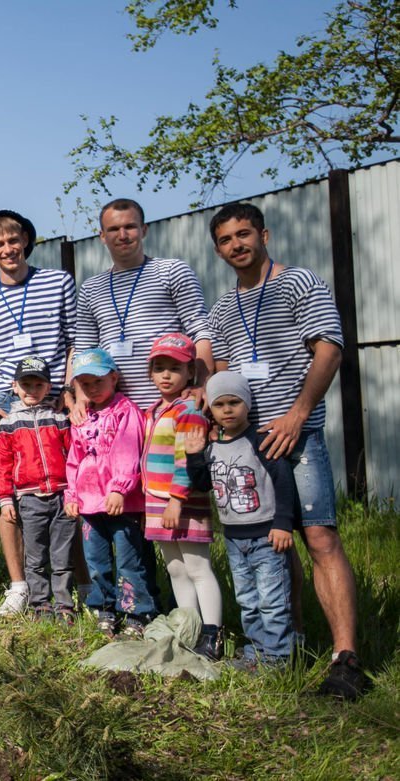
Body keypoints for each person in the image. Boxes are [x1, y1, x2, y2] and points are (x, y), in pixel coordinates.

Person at [206, 201, 366, 698]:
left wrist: (298, 414)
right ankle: (286, 644)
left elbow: (330, 349)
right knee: (275, 543)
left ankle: (346, 658)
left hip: (298, 437)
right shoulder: (223, 308)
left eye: (244, 234)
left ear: (264, 235)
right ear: (218, 250)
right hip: (250, 446)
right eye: (226, 240)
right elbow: (224, 376)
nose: (237, 245)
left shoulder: (299, 283)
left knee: (319, 538)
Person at [0, 210, 77, 612]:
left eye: (13, 240)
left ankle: (75, 581)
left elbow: (74, 339)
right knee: (11, 493)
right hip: (8, 402)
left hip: (53, 397)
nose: (7, 249)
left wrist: (69, 390)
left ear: (27, 241)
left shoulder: (58, 282)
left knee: (67, 491)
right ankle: (20, 585)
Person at [186, 372, 296, 669]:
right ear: (211, 409)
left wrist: (283, 524)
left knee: (272, 600)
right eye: (219, 404)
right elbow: (202, 484)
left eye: (234, 402)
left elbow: (284, 482)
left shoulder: (260, 442)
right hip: (234, 538)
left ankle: (279, 658)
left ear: (247, 403)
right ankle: (257, 653)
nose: (227, 410)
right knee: (247, 599)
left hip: (267, 537)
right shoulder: (212, 446)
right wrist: (194, 455)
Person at [73, 199, 213, 410]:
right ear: (102, 236)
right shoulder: (92, 288)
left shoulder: (172, 272)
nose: (122, 235)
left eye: (129, 226)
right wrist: (80, 396)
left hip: (170, 408)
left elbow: (201, 332)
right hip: (115, 413)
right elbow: (84, 350)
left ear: (144, 230)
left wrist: (202, 384)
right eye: (113, 229)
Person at [141, 334, 223, 659]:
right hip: (156, 500)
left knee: (197, 566)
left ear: (190, 372)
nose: (166, 375)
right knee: (175, 568)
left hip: (183, 502)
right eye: (159, 368)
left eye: (175, 368)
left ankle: (213, 633)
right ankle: (189, 629)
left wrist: (176, 499)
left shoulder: (188, 410)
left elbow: (186, 458)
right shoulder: (154, 411)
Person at [64, 348, 154, 638]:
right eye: (85, 384)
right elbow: (75, 458)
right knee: (96, 561)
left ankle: (137, 613)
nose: (92, 389)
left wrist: (119, 488)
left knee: (129, 561)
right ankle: (104, 609)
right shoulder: (83, 417)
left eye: (98, 382)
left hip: (121, 503)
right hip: (90, 503)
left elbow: (129, 453)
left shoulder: (126, 411)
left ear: (114, 378)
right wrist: (72, 495)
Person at [0, 357, 74, 621]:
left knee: (61, 555)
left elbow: (73, 456)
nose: (32, 390)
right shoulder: (9, 424)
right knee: (35, 556)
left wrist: (74, 491)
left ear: (48, 387)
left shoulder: (58, 418)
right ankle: (41, 604)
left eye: (38, 385)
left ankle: (64, 604)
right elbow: (2, 464)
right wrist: (5, 499)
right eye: (26, 384)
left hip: (61, 495)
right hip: (29, 498)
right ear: (14, 386)